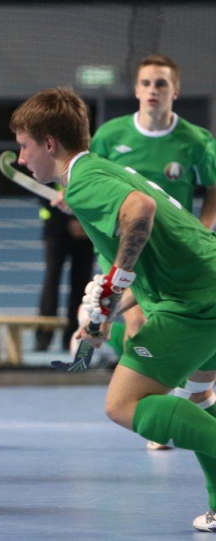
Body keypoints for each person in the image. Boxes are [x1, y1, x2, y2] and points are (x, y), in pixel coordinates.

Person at [10, 86, 216, 533]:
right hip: (203, 283)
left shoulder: (84, 183)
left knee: (123, 404)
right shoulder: (99, 168)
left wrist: (114, 279)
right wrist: (106, 311)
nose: (22, 159)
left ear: (49, 143)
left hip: (195, 302)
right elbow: (152, 253)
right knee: (199, 397)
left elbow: (139, 211)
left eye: (25, 147)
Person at [89, 53, 216, 449]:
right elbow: (92, 179)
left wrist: (202, 227)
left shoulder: (195, 140)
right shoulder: (111, 135)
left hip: (174, 256)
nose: (152, 91)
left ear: (174, 91)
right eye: (145, 83)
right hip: (127, 252)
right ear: (136, 90)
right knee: (141, 322)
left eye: (160, 84)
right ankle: (160, 412)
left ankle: (177, 410)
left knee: (193, 363)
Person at [34, 196, 94, 352]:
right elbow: (42, 192)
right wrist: (67, 221)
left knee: (82, 284)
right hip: (56, 227)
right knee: (51, 281)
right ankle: (43, 337)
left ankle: (72, 337)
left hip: (87, 229)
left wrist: (82, 220)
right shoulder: (53, 171)